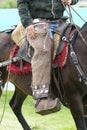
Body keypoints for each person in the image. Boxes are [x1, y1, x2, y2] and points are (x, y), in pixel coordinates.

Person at [14, 0, 78, 115]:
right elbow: (22, 2)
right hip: (37, 23)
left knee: (78, 42)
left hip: (61, 22)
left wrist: (71, 0)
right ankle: (41, 98)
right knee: (44, 49)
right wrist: (27, 23)